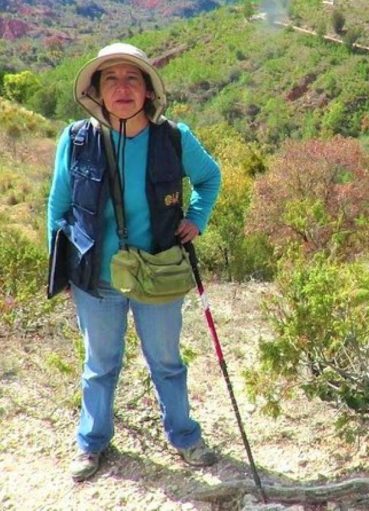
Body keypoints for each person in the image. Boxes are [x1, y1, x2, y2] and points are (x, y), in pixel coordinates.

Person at [47, 42, 222, 482]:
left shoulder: (174, 138)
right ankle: (91, 443)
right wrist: (60, 271)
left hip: (158, 272)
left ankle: (184, 437)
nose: (122, 88)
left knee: (166, 362)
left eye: (132, 79)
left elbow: (209, 178)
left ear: (147, 90)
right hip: (95, 276)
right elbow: (59, 207)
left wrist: (197, 218)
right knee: (100, 365)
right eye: (111, 79)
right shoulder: (76, 140)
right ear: (97, 91)